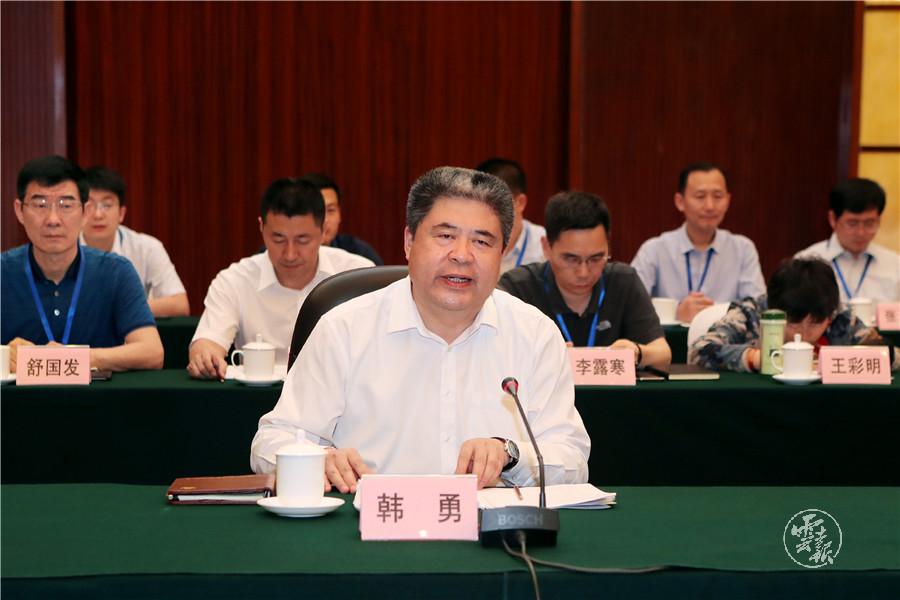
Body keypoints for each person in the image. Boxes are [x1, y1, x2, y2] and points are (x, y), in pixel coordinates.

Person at [251, 166, 590, 491]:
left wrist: (511, 454)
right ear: (409, 241)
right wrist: (318, 458)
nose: (462, 255)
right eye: (445, 236)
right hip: (370, 522)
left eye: (482, 242)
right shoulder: (344, 329)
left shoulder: (535, 335)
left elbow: (572, 460)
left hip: (491, 526)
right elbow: (271, 441)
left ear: (502, 254)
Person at [188, 177, 374, 379]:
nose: (290, 254)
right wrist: (205, 358)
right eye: (278, 239)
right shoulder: (234, 280)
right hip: (259, 396)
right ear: (261, 227)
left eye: (302, 240)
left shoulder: (358, 276)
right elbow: (208, 342)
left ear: (323, 230)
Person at [1, 155, 163, 371]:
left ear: (85, 213)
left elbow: (152, 353)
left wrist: (73, 357)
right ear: (19, 211)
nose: (53, 219)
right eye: (40, 205)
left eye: (66, 205)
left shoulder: (116, 271)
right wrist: (6, 356)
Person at [499, 191, 671, 369]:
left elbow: (663, 354)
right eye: (571, 259)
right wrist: (540, 356)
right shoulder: (517, 288)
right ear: (546, 247)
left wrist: (638, 352)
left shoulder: (623, 281)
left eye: (596, 258)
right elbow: (493, 355)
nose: (583, 272)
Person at [689, 258, 898, 372]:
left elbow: (891, 355)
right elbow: (699, 351)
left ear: (829, 317)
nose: (803, 335)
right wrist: (756, 358)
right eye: (794, 324)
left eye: (815, 324)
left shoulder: (840, 317)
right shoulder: (751, 314)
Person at [631, 162, 766, 322]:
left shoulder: (743, 249)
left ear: (728, 201)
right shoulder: (654, 250)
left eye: (718, 196)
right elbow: (630, 306)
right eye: (700, 196)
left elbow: (758, 309)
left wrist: (713, 314)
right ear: (680, 202)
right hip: (668, 338)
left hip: (725, 337)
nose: (710, 206)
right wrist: (675, 313)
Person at [80, 166, 190, 317]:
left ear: (121, 213)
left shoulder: (147, 248)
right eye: (89, 205)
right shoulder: (63, 247)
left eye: (107, 205)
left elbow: (180, 305)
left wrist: (119, 307)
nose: (98, 214)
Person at [795, 178, 899, 304]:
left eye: (869, 223)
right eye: (852, 223)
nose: (861, 232)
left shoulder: (895, 265)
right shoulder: (805, 263)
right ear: (833, 219)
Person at [475, 158, 546, 273]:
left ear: (520, 203)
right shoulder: (466, 241)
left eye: (496, 202)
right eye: (479, 202)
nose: (485, 211)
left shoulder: (543, 248)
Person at [301, 172, 384, 265]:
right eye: (315, 210)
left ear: (339, 214)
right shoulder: (290, 255)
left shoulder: (360, 253)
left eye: (330, 210)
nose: (324, 220)